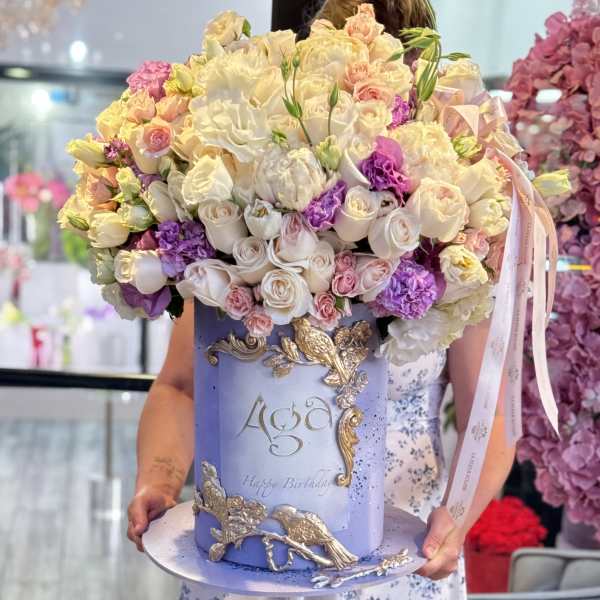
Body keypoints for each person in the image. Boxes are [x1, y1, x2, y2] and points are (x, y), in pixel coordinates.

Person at [126, 1, 516, 598]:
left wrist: (459, 514)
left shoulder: (450, 234)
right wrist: (158, 479)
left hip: (393, 564)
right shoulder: (240, 219)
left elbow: (490, 416)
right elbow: (179, 385)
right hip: (243, 564)